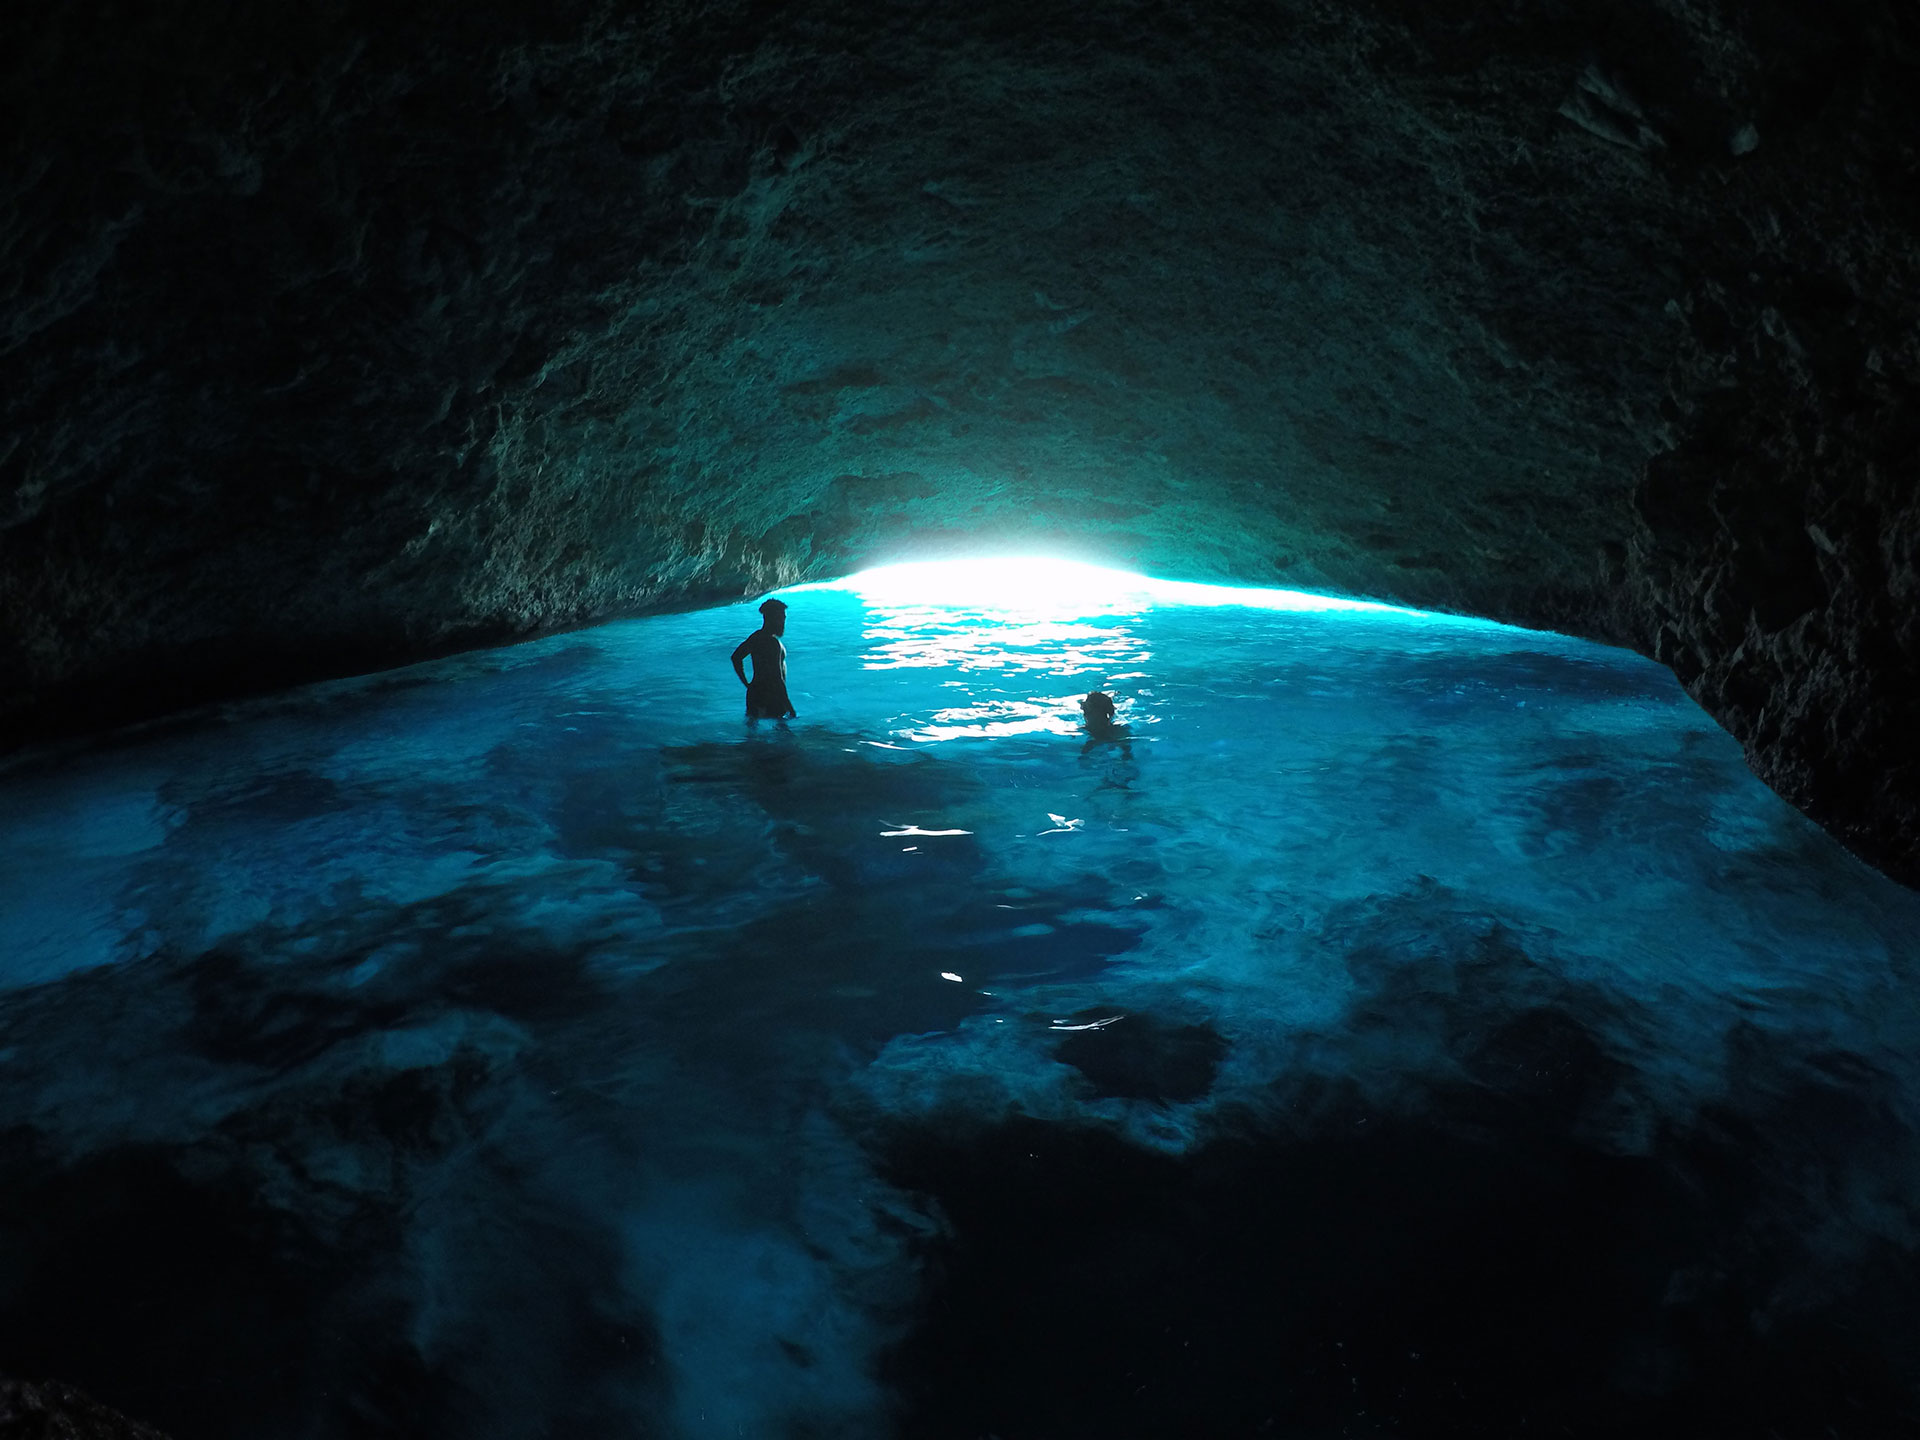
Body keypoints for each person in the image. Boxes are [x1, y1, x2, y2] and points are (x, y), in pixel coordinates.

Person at [732, 598, 797, 720]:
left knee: (752, 734)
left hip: (754, 693)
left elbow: (736, 657)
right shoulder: (772, 643)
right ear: (772, 618)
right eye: (781, 617)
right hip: (770, 695)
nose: (783, 622)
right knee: (782, 734)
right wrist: (789, 706)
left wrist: (748, 684)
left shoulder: (756, 637)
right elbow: (777, 678)